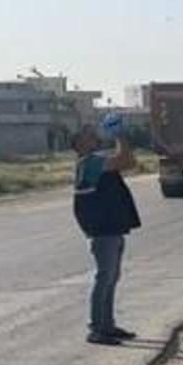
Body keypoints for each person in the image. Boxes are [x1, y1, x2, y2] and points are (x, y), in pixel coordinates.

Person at [72, 123, 141, 346]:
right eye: (87, 135)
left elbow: (129, 163)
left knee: (110, 278)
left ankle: (107, 325)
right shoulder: (90, 163)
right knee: (104, 277)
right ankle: (96, 328)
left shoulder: (96, 161)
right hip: (103, 230)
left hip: (110, 228)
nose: (92, 136)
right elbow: (125, 161)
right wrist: (120, 134)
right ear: (79, 144)